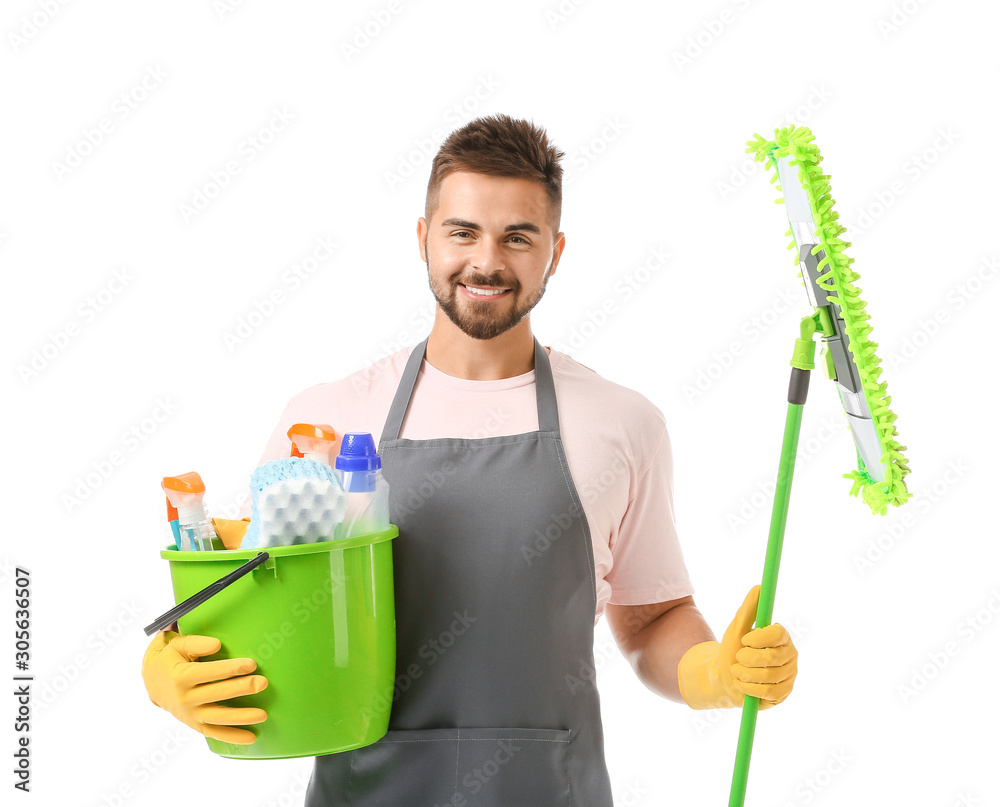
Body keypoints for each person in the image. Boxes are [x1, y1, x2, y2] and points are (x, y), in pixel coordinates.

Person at [142, 114, 798, 805]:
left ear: (556, 250)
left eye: (518, 236)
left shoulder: (622, 423)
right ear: (424, 238)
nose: (486, 261)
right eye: (462, 232)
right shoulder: (326, 421)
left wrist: (713, 675)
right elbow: (243, 592)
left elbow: (652, 617)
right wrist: (163, 673)